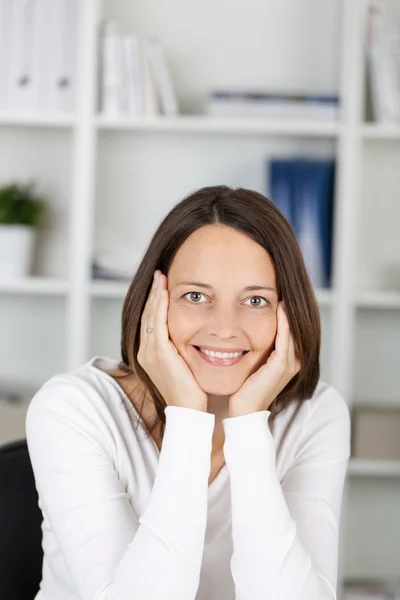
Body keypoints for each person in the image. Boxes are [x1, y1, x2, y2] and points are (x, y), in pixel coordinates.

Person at [26, 185, 351, 600]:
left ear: (289, 313)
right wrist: (189, 421)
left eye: (255, 300)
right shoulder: (71, 408)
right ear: (152, 303)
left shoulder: (316, 414)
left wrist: (249, 425)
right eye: (195, 296)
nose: (224, 327)